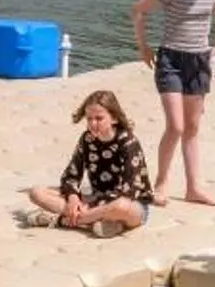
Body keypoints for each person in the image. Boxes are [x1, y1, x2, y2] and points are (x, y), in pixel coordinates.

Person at [131, 0, 215, 204]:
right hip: (171, 60)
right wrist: (143, 47)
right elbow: (138, 11)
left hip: (198, 61)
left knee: (193, 127)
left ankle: (193, 187)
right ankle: (161, 181)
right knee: (175, 126)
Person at [25, 89, 154, 236]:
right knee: (36, 193)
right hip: (96, 200)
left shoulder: (129, 142)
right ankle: (100, 223)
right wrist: (73, 199)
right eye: (89, 119)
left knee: (121, 206)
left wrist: (89, 207)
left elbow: (129, 191)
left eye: (99, 118)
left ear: (114, 118)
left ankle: (64, 220)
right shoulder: (87, 139)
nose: (93, 123)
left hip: (131, 205)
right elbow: (71, 175)